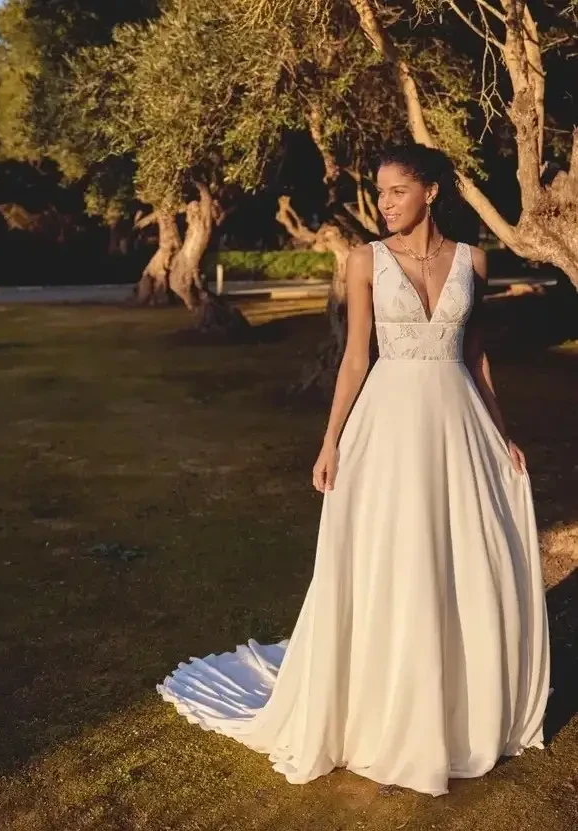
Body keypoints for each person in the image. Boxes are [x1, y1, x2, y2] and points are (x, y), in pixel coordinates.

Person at [157, 143, 550, 797]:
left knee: (463, 552)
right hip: (388, 425)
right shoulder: (365, 260)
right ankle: (383, 698)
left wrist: (503, 434)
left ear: (430, 191)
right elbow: (355, 358)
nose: (386, 203)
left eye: (398, 191)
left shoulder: (474, 261)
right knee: (390, 555)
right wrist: (331, 440)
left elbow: (477, 358)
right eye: (381, 191)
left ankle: (459, 700)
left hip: (459, 424)